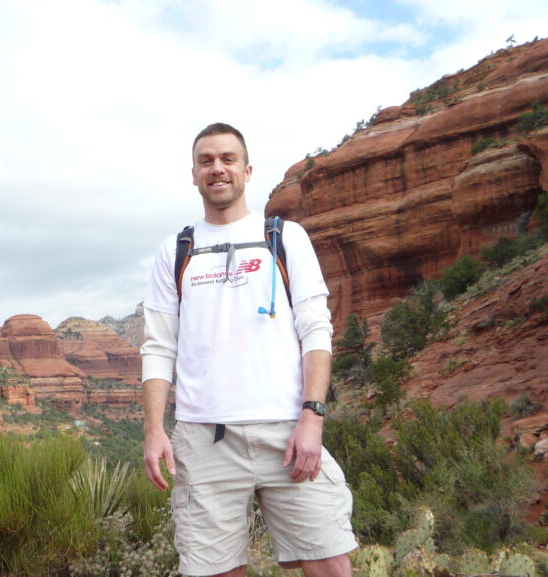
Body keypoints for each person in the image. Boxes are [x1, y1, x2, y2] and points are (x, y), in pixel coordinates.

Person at [141, 122, 357, 577]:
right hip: (205, 440)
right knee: (215, 570)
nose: (217, 169)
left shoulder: (285, 236)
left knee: (330, 563)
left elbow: (316, 331)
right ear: (194, 174)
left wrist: (312, 417)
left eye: (227, 159)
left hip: (286, 432)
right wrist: (153, 431)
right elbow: (159, 347)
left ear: (247, 169)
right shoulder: (175, 251)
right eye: (206, 161)